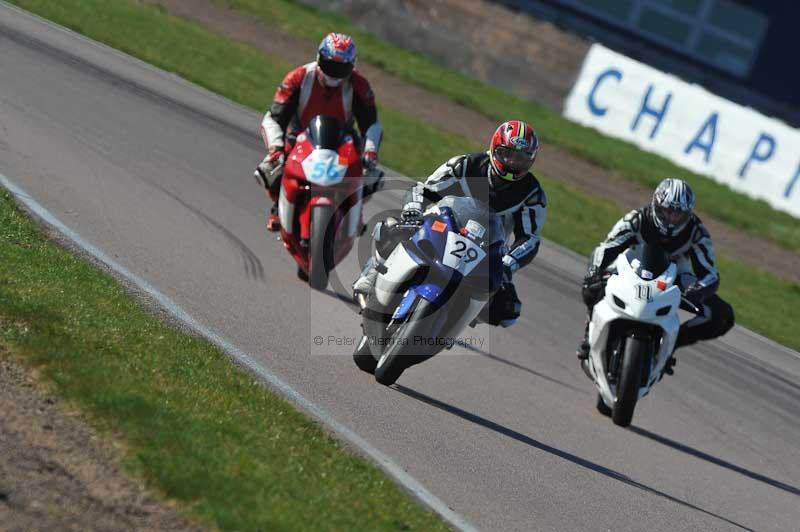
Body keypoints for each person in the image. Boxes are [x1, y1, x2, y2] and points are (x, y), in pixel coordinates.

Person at [352, 120, 547, 327]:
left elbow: (530, 238)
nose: (512, 163)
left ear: (531, 161)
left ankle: (455, 323)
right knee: (393, 229)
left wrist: (508, 263)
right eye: (507, 154)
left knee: (507, 311)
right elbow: (425, 189)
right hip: (442, 228)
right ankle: (371, 276)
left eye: (520, 159)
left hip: (486, 251)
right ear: (494, 148)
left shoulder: (532, 193)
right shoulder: (464, 164)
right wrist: (413, 211)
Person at [576, 178, 735, 371]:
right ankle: (589, 333)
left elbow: (710, 273)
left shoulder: (697, 233)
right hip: (631, 266)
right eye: (667, 211)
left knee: (722, 316)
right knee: (593, 285)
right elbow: (606, 248)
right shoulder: (637, 219)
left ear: (688, 214)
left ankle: (668, 347)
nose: (671, 219)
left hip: (675, 276)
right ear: (656, 206)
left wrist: (697, 290)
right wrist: (594, 272)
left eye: (678, 214)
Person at [254, 32, 383, 231]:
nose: (334, 74)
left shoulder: (359, 85)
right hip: (299, 137)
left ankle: (353, 213)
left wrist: (370, 151)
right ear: (319, 59)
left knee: (371, 176)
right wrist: (275, 148)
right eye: (330, 65)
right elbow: (274, 117)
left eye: (341, 68)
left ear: (351, 67)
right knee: (269, 167)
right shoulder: (298, 77)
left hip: (343, 142)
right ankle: (278, 207)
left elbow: (372, 124)